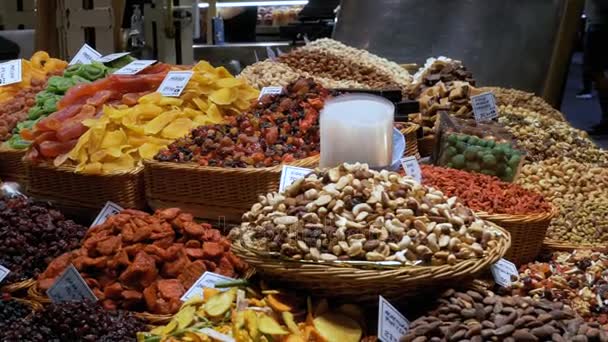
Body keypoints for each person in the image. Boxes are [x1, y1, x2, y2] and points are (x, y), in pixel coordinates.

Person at [585, 0, 608, 135]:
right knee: (597, 74)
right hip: (597, 24)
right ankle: (606, 118)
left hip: (601, 26)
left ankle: (606, 119)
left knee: (599, 74)